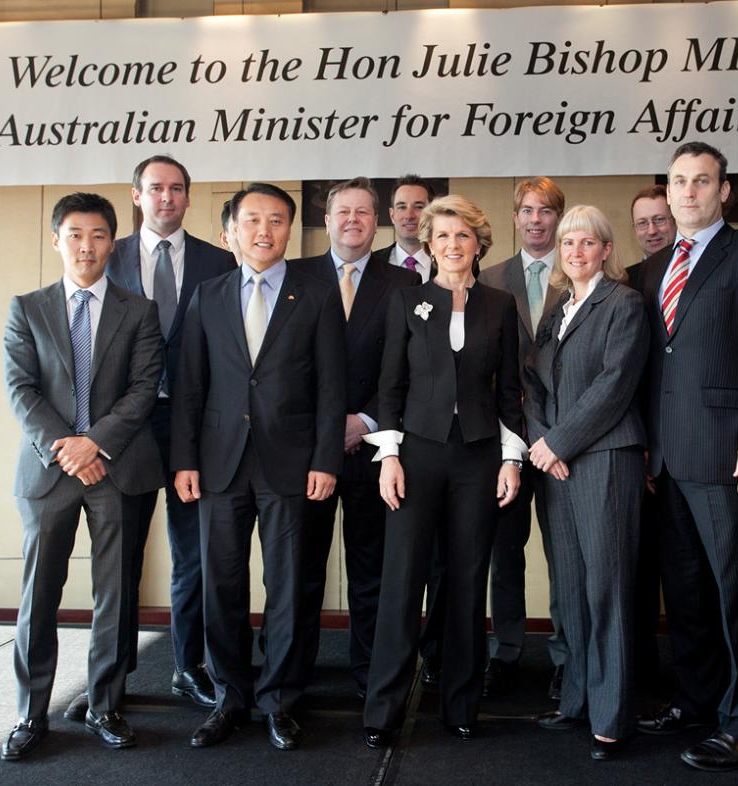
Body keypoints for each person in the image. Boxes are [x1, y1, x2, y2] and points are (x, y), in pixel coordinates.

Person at [635, 142, 738, 771]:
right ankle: (695, 699)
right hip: (668, 463)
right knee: (684, 593)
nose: (687, 193)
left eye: (700, 181)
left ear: (723, 191)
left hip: (733, 456)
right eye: (678, 182)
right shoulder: (650, 271)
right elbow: (653, 371)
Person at [170, 183, 346, 752]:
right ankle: (230, 698)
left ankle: (280, 701)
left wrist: (326, 459)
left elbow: (331, 388)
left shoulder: (316, 295)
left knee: (289, 585)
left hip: (291, 463)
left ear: (290, 230)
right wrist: (184, 461)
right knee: (221, 585)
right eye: (252, 220)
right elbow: (190, 386)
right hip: (219, 465)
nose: (264, 230)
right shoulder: (208, 294)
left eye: (275, 220)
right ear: (232, 231)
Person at [60, 155, 235, 723]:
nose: (167, 198)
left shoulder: (219, 261)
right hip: (124, 427)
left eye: (177, 189)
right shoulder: (106, 255)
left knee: (194, 553)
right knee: (122, 557)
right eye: (155, 188)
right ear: (136, 195)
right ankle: (112, 678)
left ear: (189, 197)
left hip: (195, 425)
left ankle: (190, 667)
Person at [0, 192, 164, 760]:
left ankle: (106, 706)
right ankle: (29, 714)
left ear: (112, 243)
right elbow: (21, 390)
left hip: (117, 468)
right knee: (38, 596)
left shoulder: (139, 310)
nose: (86, 246)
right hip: (50, 471)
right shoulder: (28, 308)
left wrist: (96, 442)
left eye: (97, 235)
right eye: (74, 234)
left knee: (115, 597)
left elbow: (145, 390)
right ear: (56, 240)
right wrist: (68, 448)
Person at [362, 195, 525, 747]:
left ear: (478, 243)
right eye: (442, 237)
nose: (452, 245)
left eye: (462, 236)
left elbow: (510, 393)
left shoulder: (500, 305)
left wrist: (511, 458)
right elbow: (389, 387)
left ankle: (460, 705)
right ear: (428, 245)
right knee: (402, 580)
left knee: (465, 580)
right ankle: (382, 712)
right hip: (416, 455)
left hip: (478, 457)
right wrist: (387, 456)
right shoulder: (407, 302)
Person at [525, 205, 649, 761]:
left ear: (606, 250)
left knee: (608, 590)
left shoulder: (622, 304)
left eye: (587, 242)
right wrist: (542, 446)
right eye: (568, 242)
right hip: (557, 465)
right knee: (570, 590)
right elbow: (533, 384)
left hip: (604, 460)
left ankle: (612, 717)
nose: (575, 251)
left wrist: (559, 444)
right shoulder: (559, 309)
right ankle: (576, 699)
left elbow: (615, 384)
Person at [293, 177, 420, 700]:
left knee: (373, 572)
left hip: (376, 451)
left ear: (378, 221)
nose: (353, 220)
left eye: (364, 213)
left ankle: (371, 675)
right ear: (327, 218)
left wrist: (364, 422)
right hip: (304, 453)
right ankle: (291, 673)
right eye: (343, 211)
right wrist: (326, 428)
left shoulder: (405, 286)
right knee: (299, 571)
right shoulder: (294, 276)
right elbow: (279, 368)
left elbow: (415, 371)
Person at [476, 176, 568, 699]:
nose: (536, 220)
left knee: (564, 554)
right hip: (506, 442)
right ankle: (506, 652)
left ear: (559, 217)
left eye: (547, 211)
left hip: (563, 441)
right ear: (515, 218)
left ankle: (566, 656)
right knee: (504, 553)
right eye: (527, 211)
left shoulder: (583, 270)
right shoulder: (489, 277)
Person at [626, 184, 678, 692]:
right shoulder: (628, 282)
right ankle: (639, 679)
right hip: (637, 449)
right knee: (638, 575)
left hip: (688, 448)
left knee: (687, 574)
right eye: (642, 222)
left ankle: (697, 685)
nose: (651, 230)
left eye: (659, 219)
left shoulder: (697, 273)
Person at [377, 174, 435, 281]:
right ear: (392, 215)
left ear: (432, 213)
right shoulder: (372, 263)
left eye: (418, 207)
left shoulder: (448, 262)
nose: (409, 215)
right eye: (402, 207)